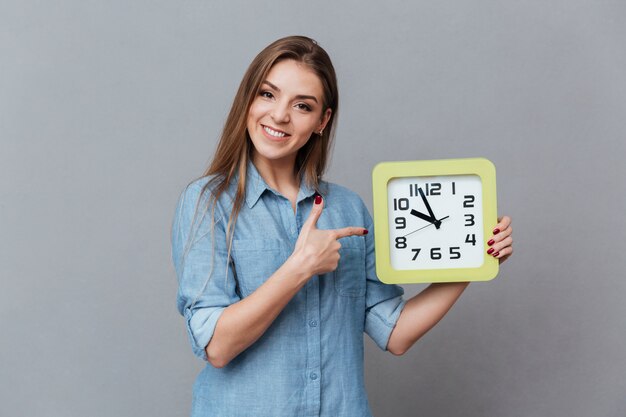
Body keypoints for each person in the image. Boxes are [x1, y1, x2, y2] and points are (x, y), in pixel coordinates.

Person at [171, 35, 513, 417]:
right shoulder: (207, 203)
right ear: (248, 100)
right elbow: (216, 345)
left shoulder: (348, 208)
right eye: (268, 94)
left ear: (322, 121)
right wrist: (300, 268)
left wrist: (473, 259)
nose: (280, 115)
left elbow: (395, 333)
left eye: (302, 105)